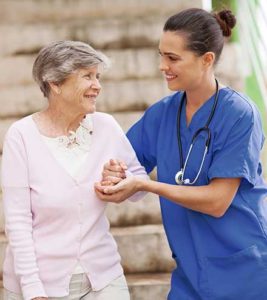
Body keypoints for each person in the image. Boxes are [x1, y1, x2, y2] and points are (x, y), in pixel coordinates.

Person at [95, 8, 267, 300]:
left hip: (244, 271)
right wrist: (114, 173)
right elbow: (124, 162)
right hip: (190, 274)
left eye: (173, 58)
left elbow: (217, 201)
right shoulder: (162, 114)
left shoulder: (239, 114)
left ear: (207, 60)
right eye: (161, 55)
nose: (163, 66)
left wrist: (145, 184)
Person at [1, 40, 148, 300]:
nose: (97, 86)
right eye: (87, 76)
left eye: (98, 76)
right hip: (41, 282)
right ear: (54, 84)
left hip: (103, 276)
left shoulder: (106, 126)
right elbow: (17, 221)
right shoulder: (21, 136)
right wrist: (33, 289)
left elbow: (139, 186)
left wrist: (121, 180)